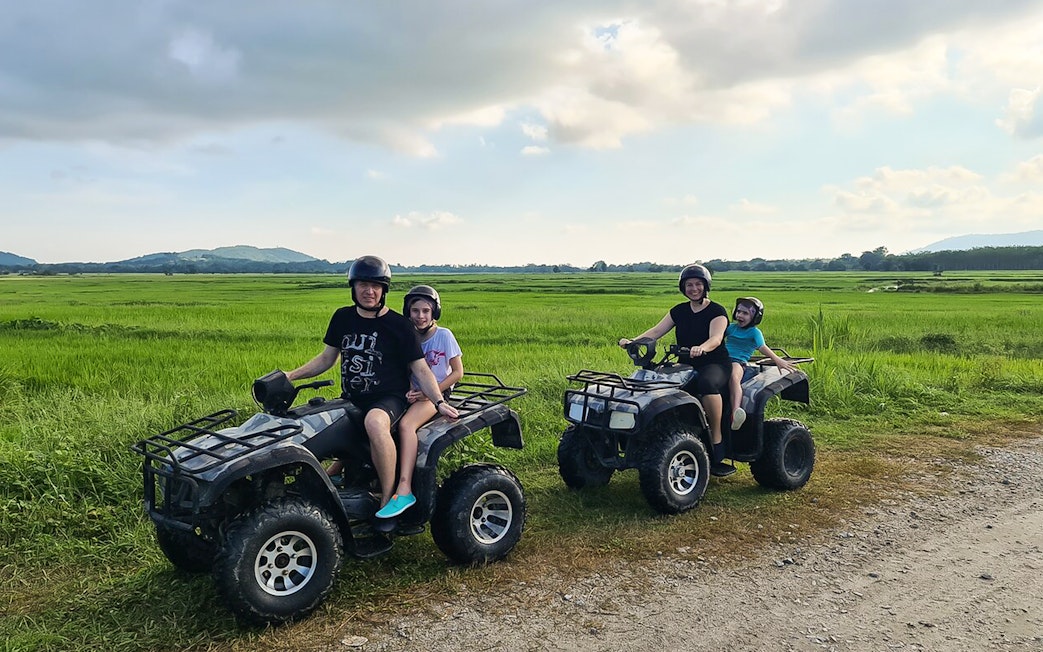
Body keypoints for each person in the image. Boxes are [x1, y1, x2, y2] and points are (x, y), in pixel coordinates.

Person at [286, 255, 459, 518]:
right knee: (313, 424)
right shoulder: (342, 317)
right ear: (354, 288)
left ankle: (388, 498)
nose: (369, 291)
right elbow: (326, 359)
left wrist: (439, 401)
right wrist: (289, 375)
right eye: (363, 285)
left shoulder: (399, 325)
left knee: (375, 423)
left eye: (376, 286)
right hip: (352, 396)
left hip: (389, 398)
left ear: (383, 290)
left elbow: (421, 368)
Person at [619, 264, 735, 477]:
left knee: (707, 384)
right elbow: (656, 331)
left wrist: (702, 348)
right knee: (656, 384)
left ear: (705, 286)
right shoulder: (679, 311)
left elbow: (716, 338)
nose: (694, 289)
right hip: (685, 364)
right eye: (689, 285)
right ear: (683, 287)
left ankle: (716, 439)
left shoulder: (717, 311)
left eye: (698, 284)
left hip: (714, 363)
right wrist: (633, 341)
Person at [391, 285, 464, 516]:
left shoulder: (444, 336)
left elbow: (457, 373)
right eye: (415, 311)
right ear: (408, 312)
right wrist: (410, 390)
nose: (420, 316)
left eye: (425, 311)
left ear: (434, 312)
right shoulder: (408, 337)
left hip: (438, 394)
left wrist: (429, 394)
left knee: (406, 425)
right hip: (414, 393)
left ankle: (404, 487)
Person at [725, 297, 797, 430]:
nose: (740, 315)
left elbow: (762, 347)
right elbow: (716, 336)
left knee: (734, 378)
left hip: (738, 362)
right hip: (721, 359)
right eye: (738, 311)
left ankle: (736, 412)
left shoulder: (754, 332)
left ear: (755, 317)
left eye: (745, 313)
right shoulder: (731, 328)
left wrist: (777, 360)